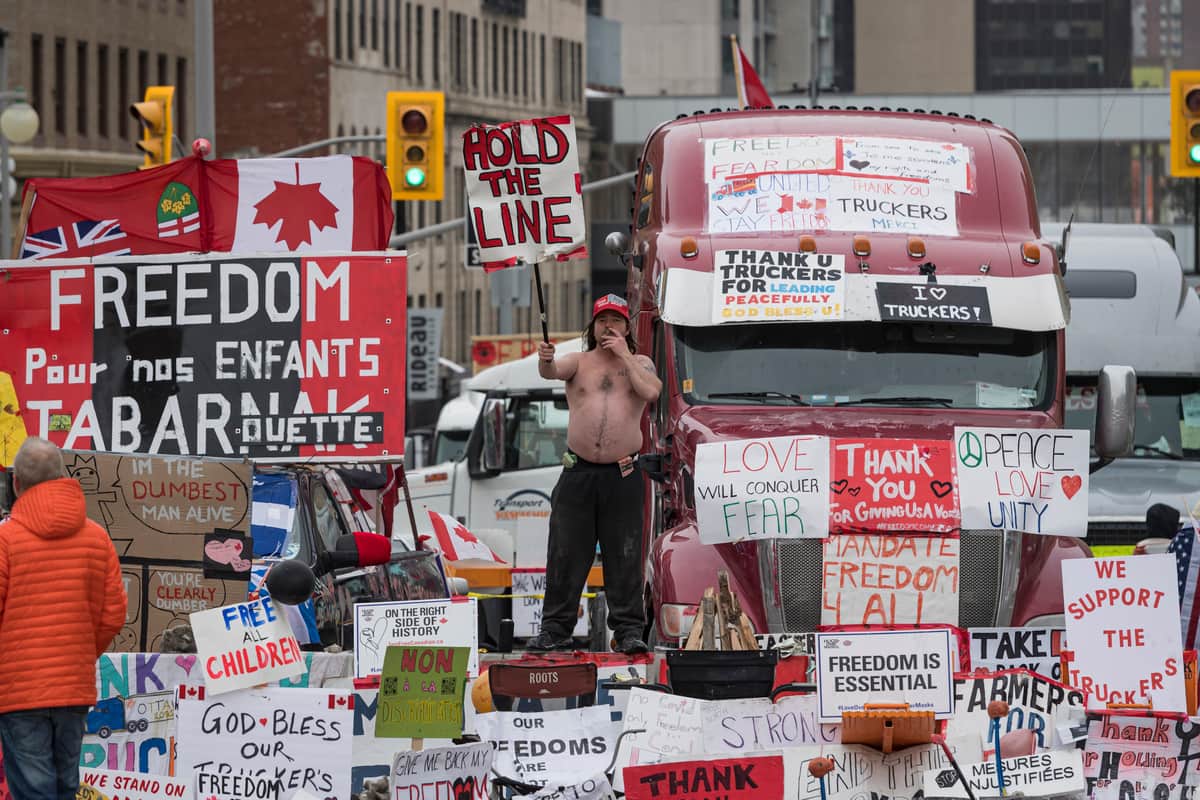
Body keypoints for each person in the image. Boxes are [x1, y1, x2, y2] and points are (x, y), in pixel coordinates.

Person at [529, 294, 662, 654]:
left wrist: (623, 354)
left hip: (623, 473)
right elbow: (552, 370)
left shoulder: (640, 364)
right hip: (579, 472)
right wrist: (546, 359)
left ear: (627, 327)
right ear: (592, 326)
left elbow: (651, 391)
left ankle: (629, 630)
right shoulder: (580, 361)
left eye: (616, 321)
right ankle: (555, 629)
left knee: (625, 553)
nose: (608, 327)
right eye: (603, 320)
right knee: (566, 552)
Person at [0, 437, 126, 800]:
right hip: (73, 686)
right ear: (61, 476)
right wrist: (80, 653)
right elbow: (113, 614)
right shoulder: (97, 538)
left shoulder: (6, 540)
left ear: (16, 482)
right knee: (66, 784)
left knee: (34, 788)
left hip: (18, 690)